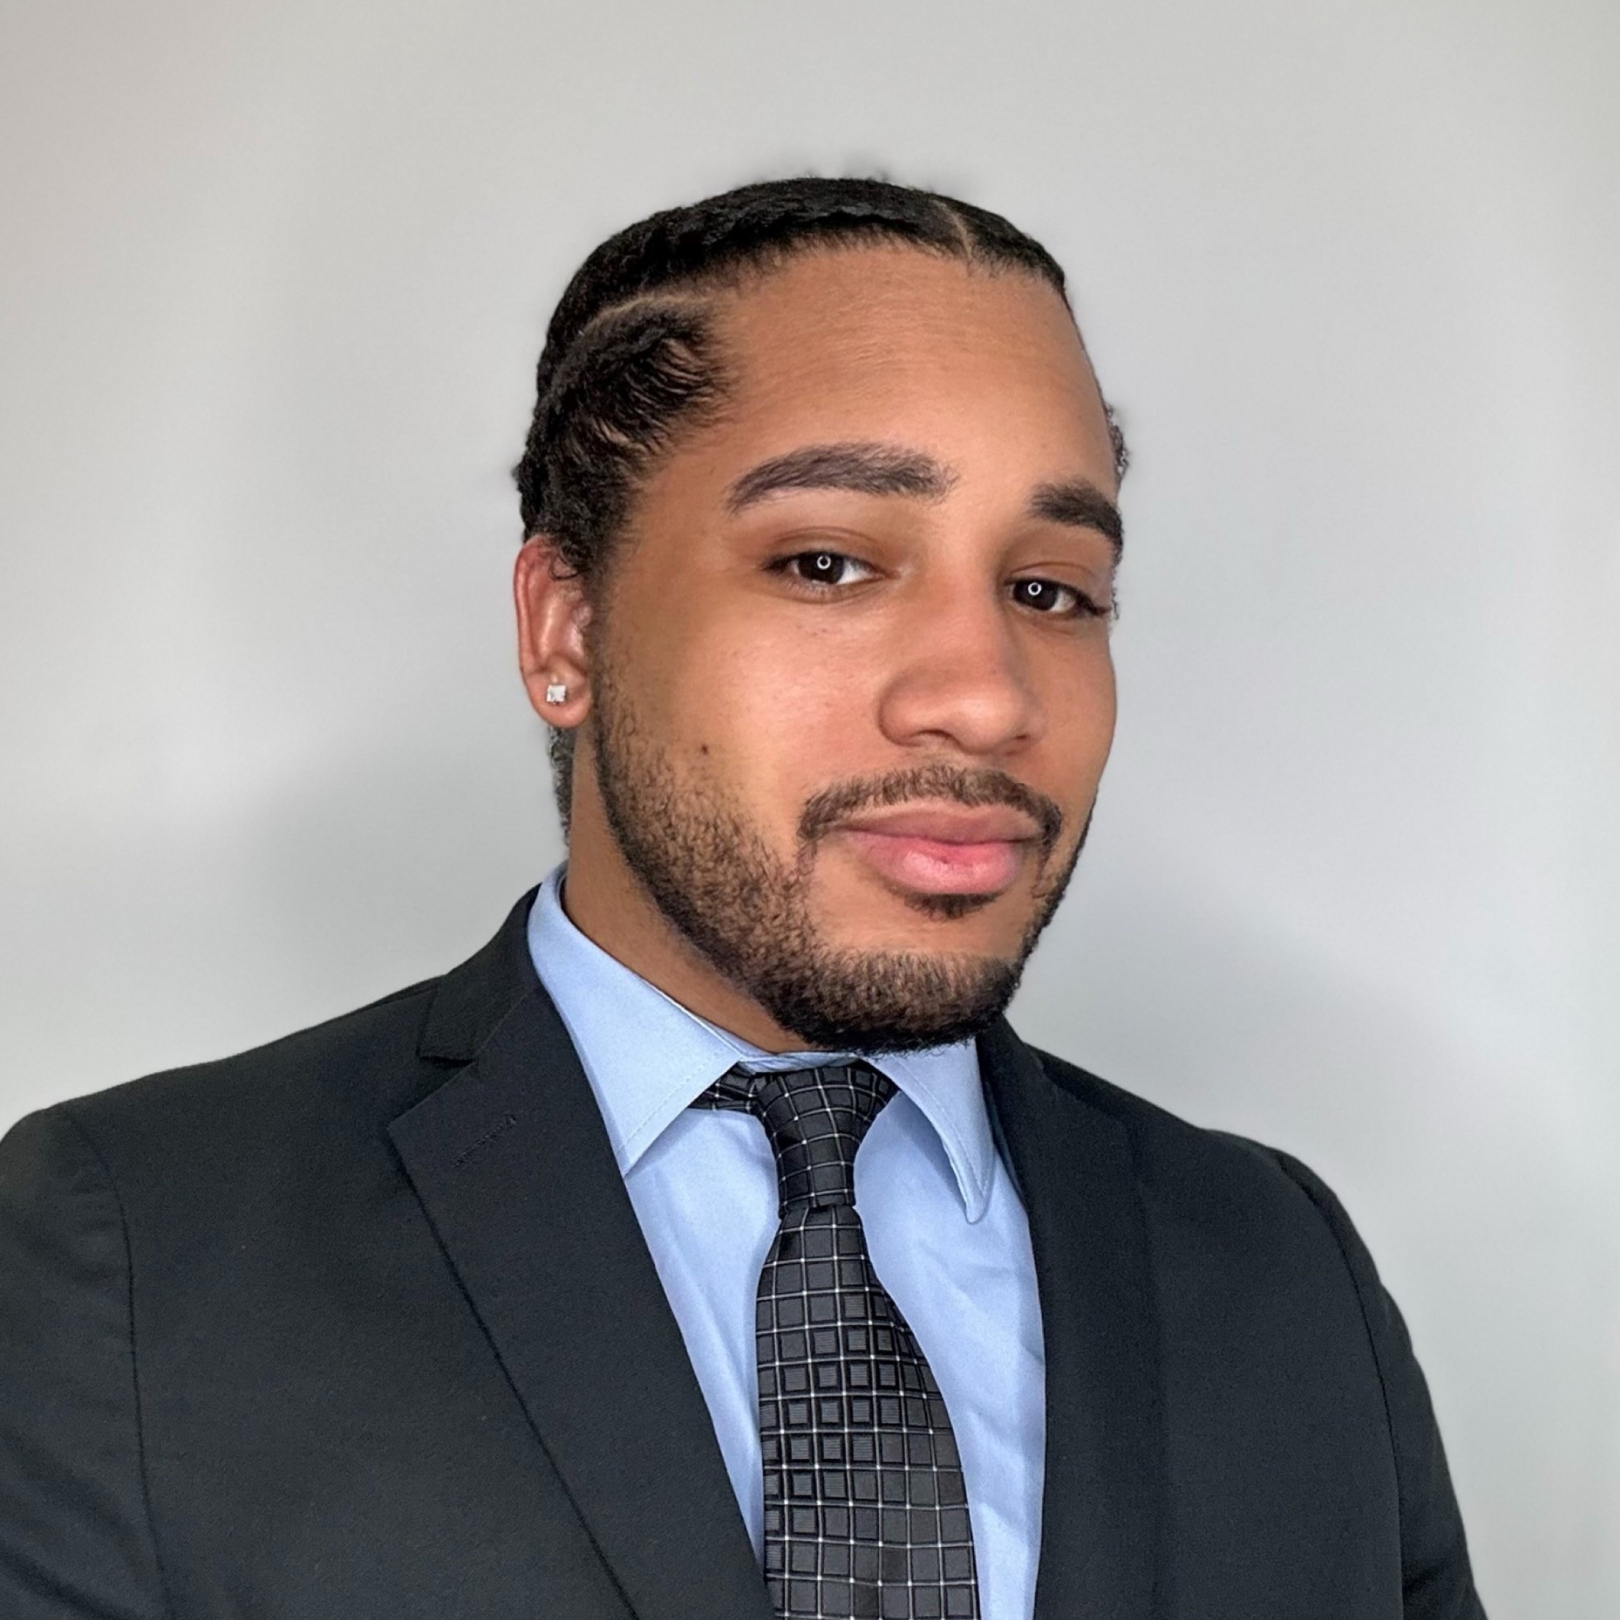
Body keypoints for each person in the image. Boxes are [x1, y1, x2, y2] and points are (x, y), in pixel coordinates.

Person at [0, 177, 1484, 1620]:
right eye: (827, 563)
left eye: (1051, 590)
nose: (986, 698)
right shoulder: (131, 1248)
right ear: (566, 629)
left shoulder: (1282, 1267)